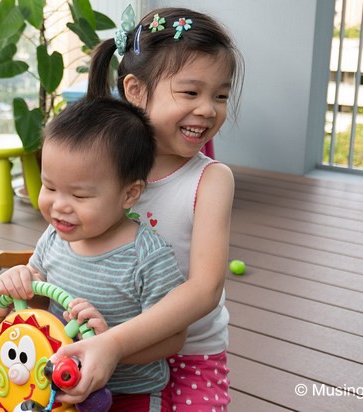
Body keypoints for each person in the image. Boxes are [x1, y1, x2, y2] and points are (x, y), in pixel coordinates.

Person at [54, 6, 245, 412]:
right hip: (93, 343)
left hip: (188, 355)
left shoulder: (210, 181)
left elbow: (205, 288)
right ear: (136, 91)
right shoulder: (103, 170)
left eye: (221, 95)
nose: (209, 109)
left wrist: (114, 343)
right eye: (190, 92)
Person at [0, 97, 187, 411]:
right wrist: (20, 283)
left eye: (79, 194)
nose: (60, 205)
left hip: (131, 394)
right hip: (54, 388)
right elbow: (38, 299)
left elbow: (174, 338)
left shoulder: (148, 258)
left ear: (130, 193)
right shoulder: (55, 238)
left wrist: (111, 343)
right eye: (50, 187)